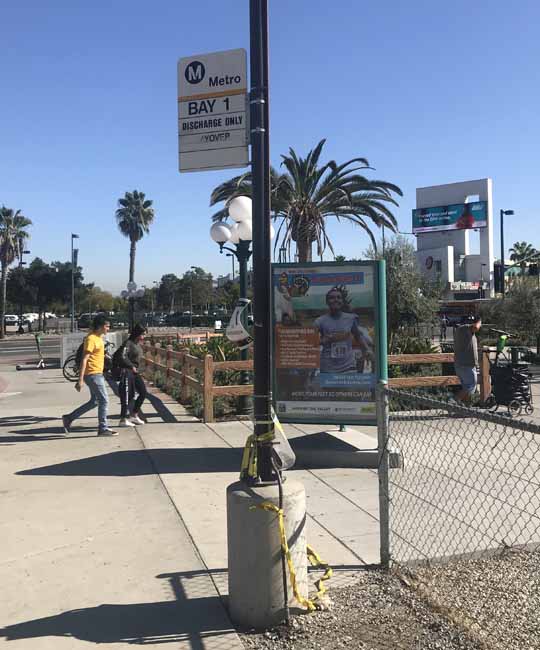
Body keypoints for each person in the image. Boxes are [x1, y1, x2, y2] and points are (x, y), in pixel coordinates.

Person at [62, 314, 117, 436]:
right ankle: (103, 428)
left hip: (97, 373)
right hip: (92, 374)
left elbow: (97, 356)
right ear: (101, 326)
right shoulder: (91, 339)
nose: (109, 328)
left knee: (95, 402)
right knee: (104, 400)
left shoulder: (98, 338)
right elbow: (84, 359)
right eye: (107, 326)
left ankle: (69, 418)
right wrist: (80, 379)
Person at [315, 286, 373, 374]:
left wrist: (367, 349)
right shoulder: (319, 321)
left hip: (348, 366)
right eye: (332, 298)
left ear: (342, 301)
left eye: (339, 297)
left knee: (348, 388)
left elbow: (358, 336)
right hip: (328, 368)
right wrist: (323, 341)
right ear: (327, 302)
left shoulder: (350, 318)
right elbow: (310, 342)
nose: (336, 300)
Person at [118, 324, 147, 427]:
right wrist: (130, 366)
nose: (144, 337)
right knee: (127, 395)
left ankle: (134, 415)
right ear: (137, 334)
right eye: (142, 334)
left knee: (143, 392)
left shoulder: (137, 344)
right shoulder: (128, 343)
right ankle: (123, 419)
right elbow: (122, 356)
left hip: (135, 373)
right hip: (127, 371)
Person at [453, 315, 482, 404]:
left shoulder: (461, 331)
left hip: (462, 364)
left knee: (466, 387)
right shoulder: (465, 329)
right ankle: (452, 402)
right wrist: (479, 321)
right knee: (471, 386)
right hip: (466, 365)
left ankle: (464, 409)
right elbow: (476, 327)